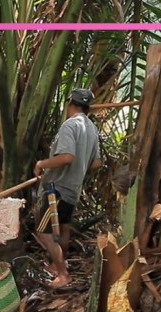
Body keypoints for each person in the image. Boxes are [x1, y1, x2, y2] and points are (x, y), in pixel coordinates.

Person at [34, 88, 102, 288]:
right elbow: (97, 163)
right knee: (63, 229)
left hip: (57, 189)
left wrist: (41, 164)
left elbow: (67, 157)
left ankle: (63, 274)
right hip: (73, 189)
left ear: (70, 103)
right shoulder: (91, 128)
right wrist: (79, 169)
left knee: (44, 232)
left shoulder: (70, 125)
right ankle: (57, 268)